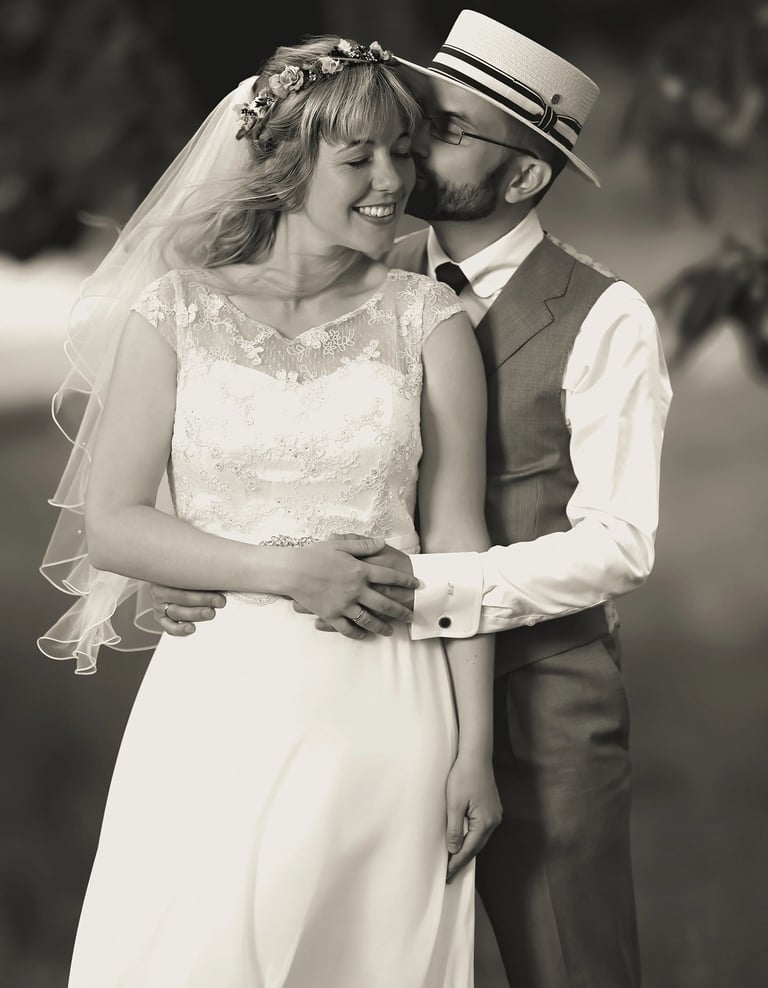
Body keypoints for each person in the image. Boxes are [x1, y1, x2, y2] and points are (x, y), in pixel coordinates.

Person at [154, 10, 674, 987]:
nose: (408, 151)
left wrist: (418, 587)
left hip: (538, 710)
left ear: (523, 177)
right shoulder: (369, 276)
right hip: (350, 693)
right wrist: (194, 569)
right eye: (412, 124)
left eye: (444, 132)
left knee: (571, 968)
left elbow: (619, 544)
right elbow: (263, 437)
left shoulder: (607, 317)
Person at [38, 34, 502, 986]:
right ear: (290, 164)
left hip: (388, 708)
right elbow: (115, 523)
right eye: (360, 157)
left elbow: (460, 544)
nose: (392, 181)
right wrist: (286, 569)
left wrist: (474, 755)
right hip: (214, 703)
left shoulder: (431, 321)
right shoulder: (175, 313)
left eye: (405, 153)